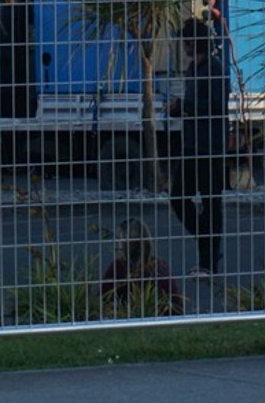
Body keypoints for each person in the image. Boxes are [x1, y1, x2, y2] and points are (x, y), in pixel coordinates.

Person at [169, 17, 231, 276]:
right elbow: (194, 105)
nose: (185, 47)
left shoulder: (215, 69)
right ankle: (206, 242)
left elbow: (216, 106)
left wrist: (183, 108)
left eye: (188, 42)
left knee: (210, 202)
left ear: (198, 41)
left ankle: (208, 262)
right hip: (191, 144)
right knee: (178, 197)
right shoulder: (194, 68)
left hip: (210, 146)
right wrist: (179, 110)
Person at [99, 216, 183, 316]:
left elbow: (101, 300)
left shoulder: (119, 267)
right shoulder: (160, 266)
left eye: (119, 240)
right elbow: (177, 306)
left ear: (125, 243)